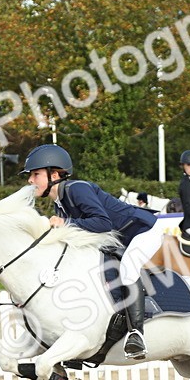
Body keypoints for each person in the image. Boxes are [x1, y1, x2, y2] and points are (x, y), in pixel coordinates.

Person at [24, 144, 163, 360]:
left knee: (127, 269)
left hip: (143, 231)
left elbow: (103, 223)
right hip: (119, 238)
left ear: (54, 174)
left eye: (35, 174)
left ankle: (136, 334)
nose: (30, 181)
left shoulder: (76, 189)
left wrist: (65, 222)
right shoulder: (60, 203)